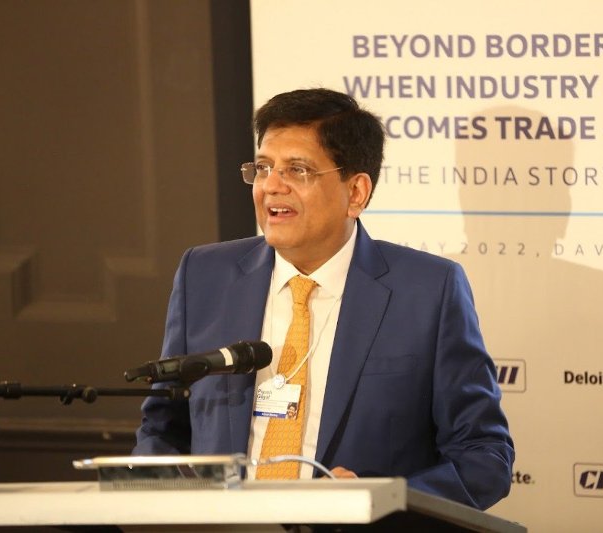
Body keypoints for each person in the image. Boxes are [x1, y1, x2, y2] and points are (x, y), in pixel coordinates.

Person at [132, 88, 514, 510]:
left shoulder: (428, 291)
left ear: (356, 193)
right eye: (263, 168)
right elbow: (162, 429)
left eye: (297, 170)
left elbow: (484, 458)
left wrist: (381, 499)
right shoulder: (205, 276)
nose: (271, 187)